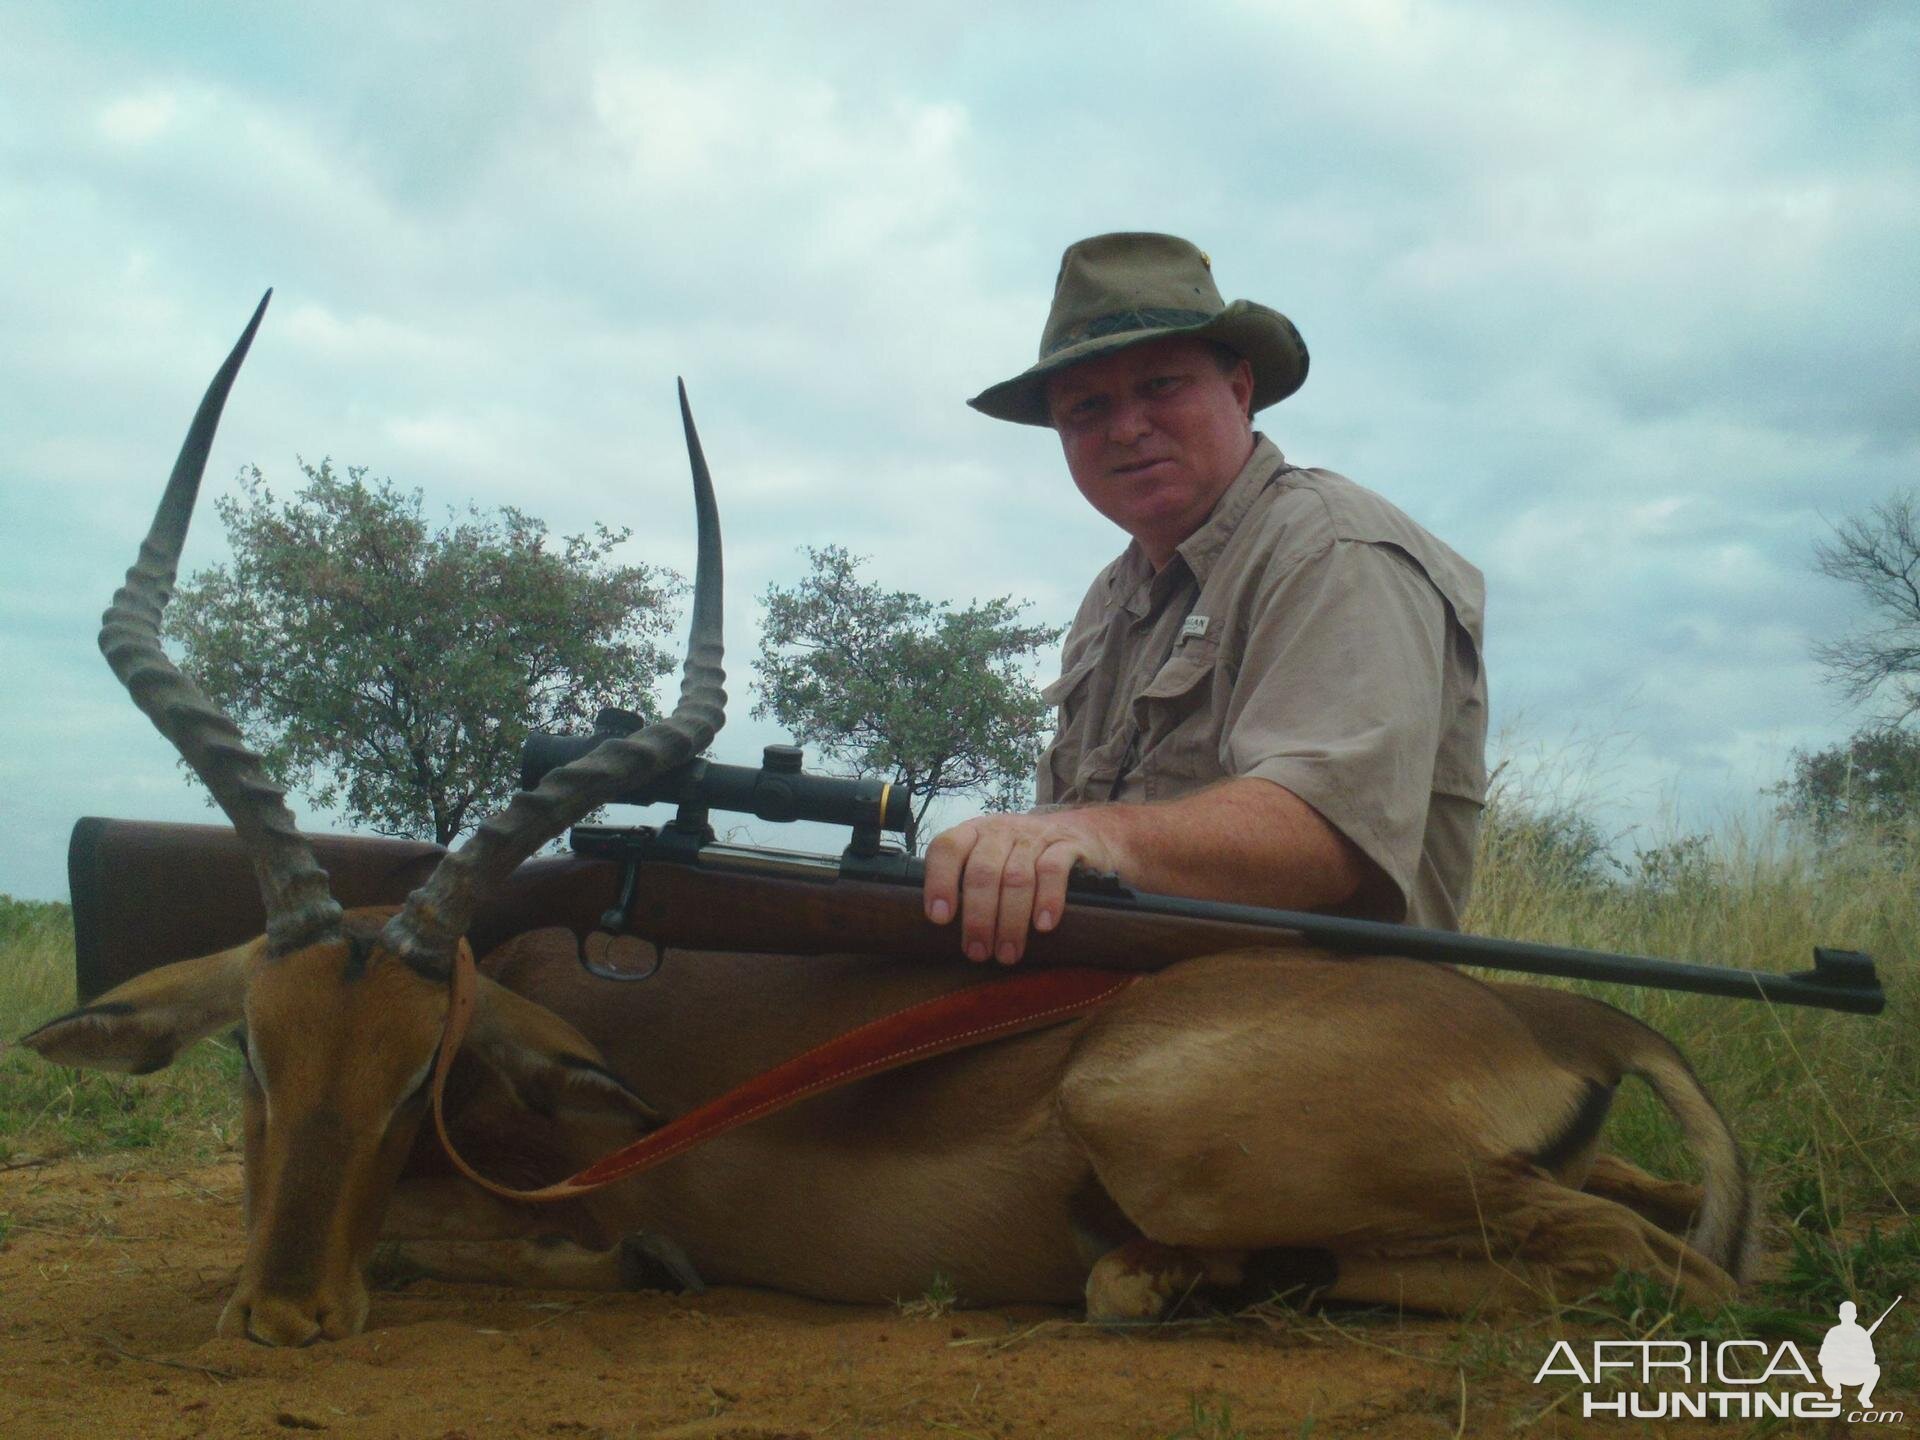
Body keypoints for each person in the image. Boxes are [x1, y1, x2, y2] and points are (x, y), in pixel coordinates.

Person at [922, 231, 1487, 963]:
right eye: (1086, 408)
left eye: (1161, 386)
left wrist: (1084, 838)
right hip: (1130, 999)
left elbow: (1327, 837)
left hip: (1311, 1018)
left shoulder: (1331, 545)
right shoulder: (1110, 599)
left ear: (1241, 390)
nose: (1126, 428)